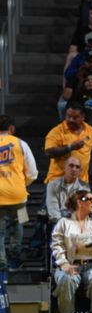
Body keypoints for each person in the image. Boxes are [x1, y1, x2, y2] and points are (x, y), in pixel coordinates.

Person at [51, 190, 92, 313]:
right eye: (90, 199)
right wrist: (64, 264)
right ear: (79, 201)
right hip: (70, 264)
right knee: (66, 278)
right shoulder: (64, 223)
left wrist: (84, 245)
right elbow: (56, 245)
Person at [0, 115, 38, 282]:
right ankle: (14, 260)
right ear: (12, 129)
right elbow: (33, 173)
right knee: (20, 224)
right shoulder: (21, 144)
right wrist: (22, 184)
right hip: (19, 196)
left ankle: (1, 264)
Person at [44, 103, 92, 184]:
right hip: (58, 182)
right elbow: (49, 152)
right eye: (68, 116)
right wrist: (70, 147)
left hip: (81, 183)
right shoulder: (57, 131)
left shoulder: (90, 131)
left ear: (83, 117)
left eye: (75, 117)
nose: (71, 120)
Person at [46, 157, 90, 224]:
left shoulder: (85, 188)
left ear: (80, 171)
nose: (74, 169)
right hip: (58, 224)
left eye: (77, 167)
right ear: (64, 168)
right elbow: (53, 212)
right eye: (71, 166)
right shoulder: (52, 185)